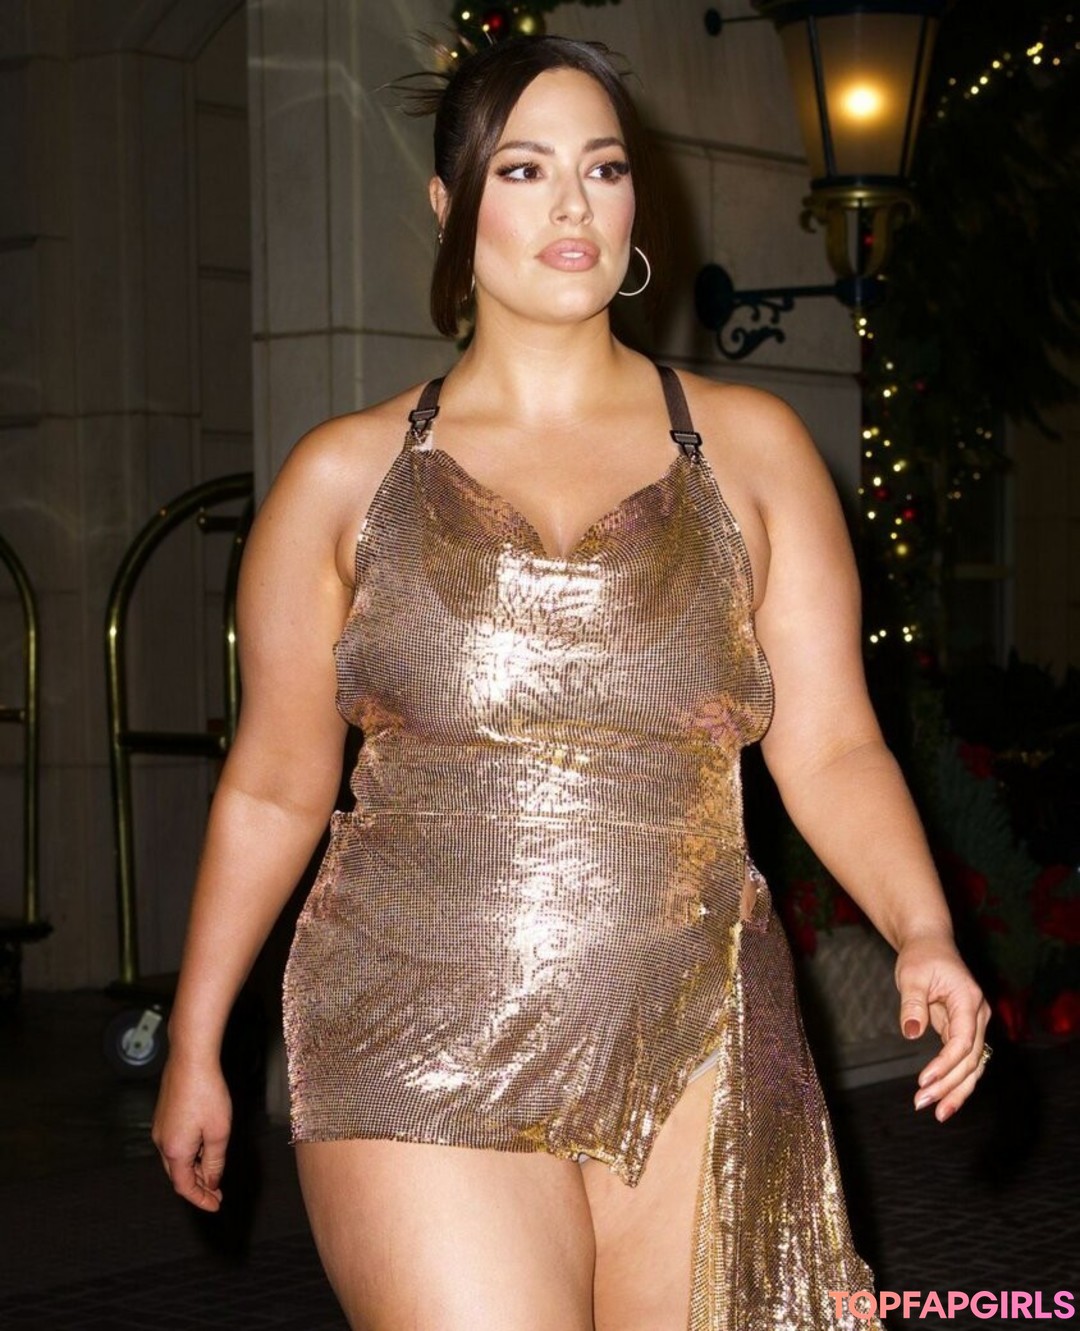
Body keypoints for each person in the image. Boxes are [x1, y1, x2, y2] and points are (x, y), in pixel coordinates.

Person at [152, 33, 991, 1331]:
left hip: (697, 1023)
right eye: (524, 169)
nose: (571, 206)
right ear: (450, 204)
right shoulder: (342, 479)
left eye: (602, 169)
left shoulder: (753, 452)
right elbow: (272, 786)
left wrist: (921, 928)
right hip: (412, 1028)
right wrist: (196, 1038)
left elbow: (831, 747)